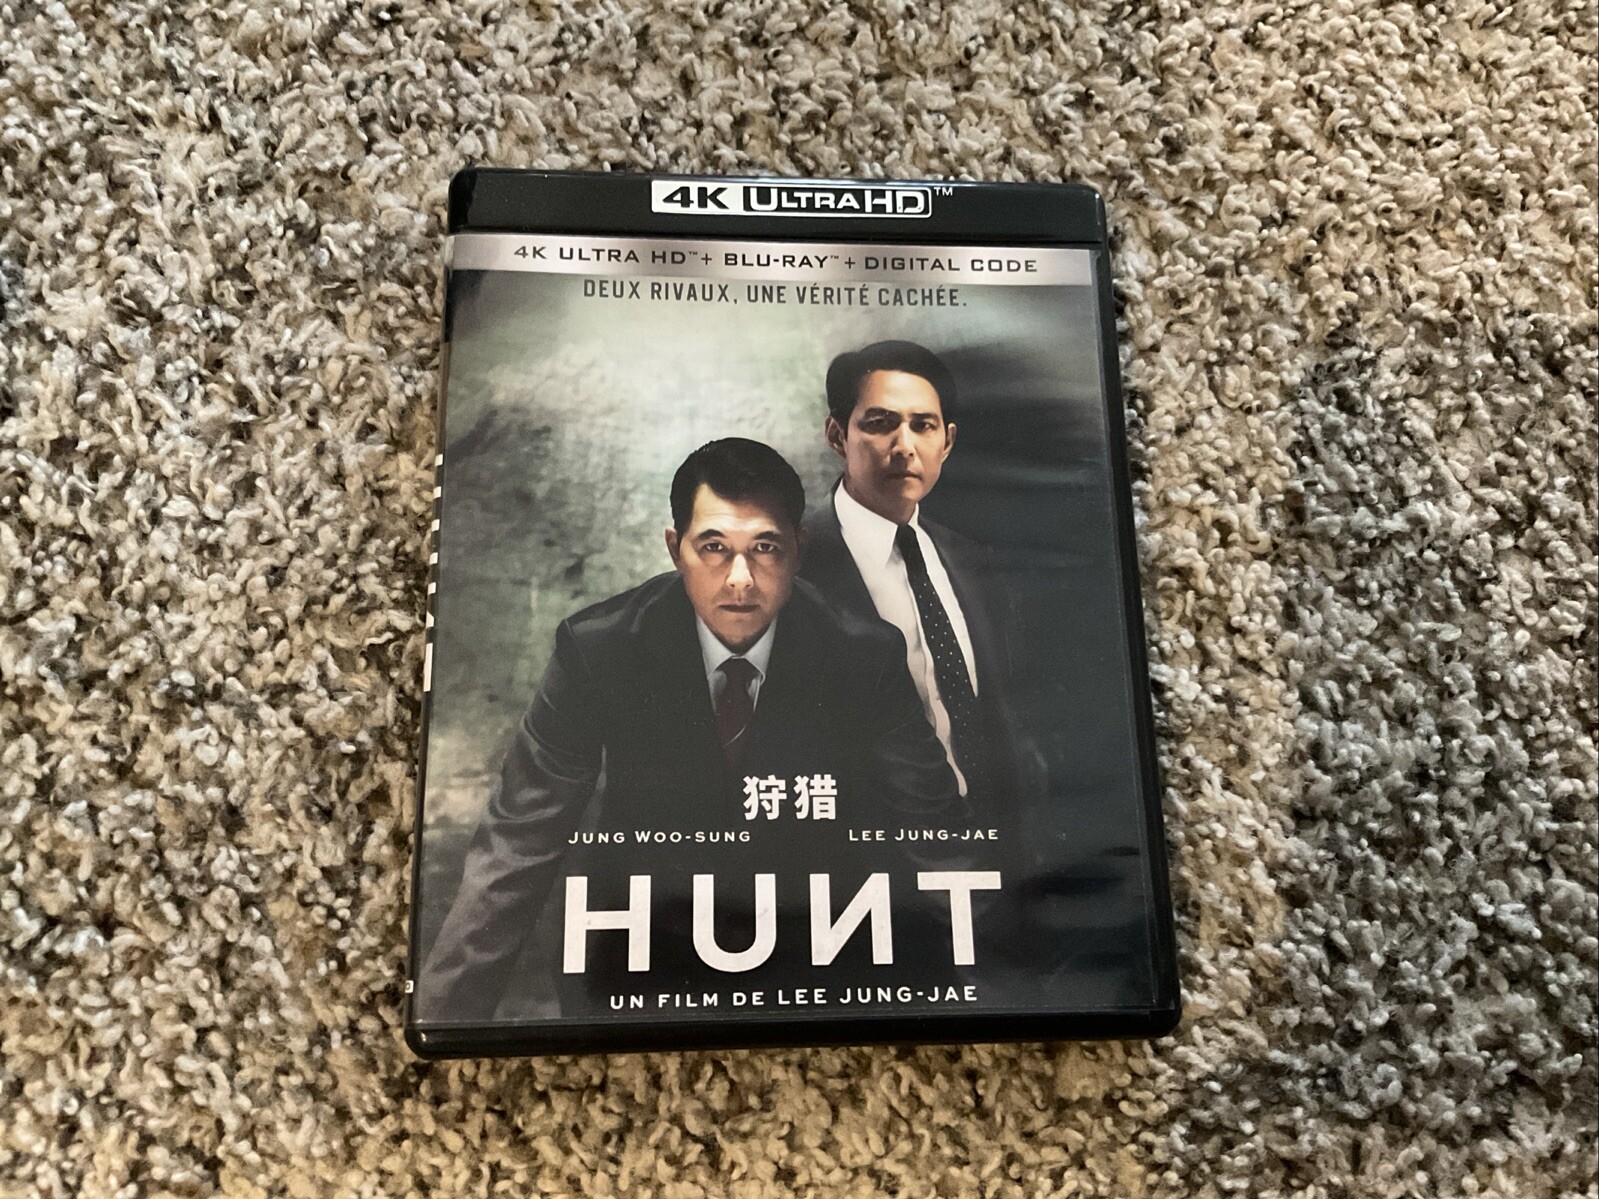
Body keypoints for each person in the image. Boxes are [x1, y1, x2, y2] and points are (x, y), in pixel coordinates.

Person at [419, 438, 968, 1023]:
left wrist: (979, 997)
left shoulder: (863, 653)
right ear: (674, 548)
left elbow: (933, 833)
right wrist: (444, 1019)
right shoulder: (598, 649)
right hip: (642, 946)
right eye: (713, 548)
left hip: (814, 943)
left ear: (798, 551)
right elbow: (520, 838)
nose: (740, 580)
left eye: (765, 548)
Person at [800, 341, 1036, 815]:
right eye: (880, 423)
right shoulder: (793, 565)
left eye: (923, 426)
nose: (904, 447)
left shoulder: (971, 562)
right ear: (837, 435)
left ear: (946, 442)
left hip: (992, 833)